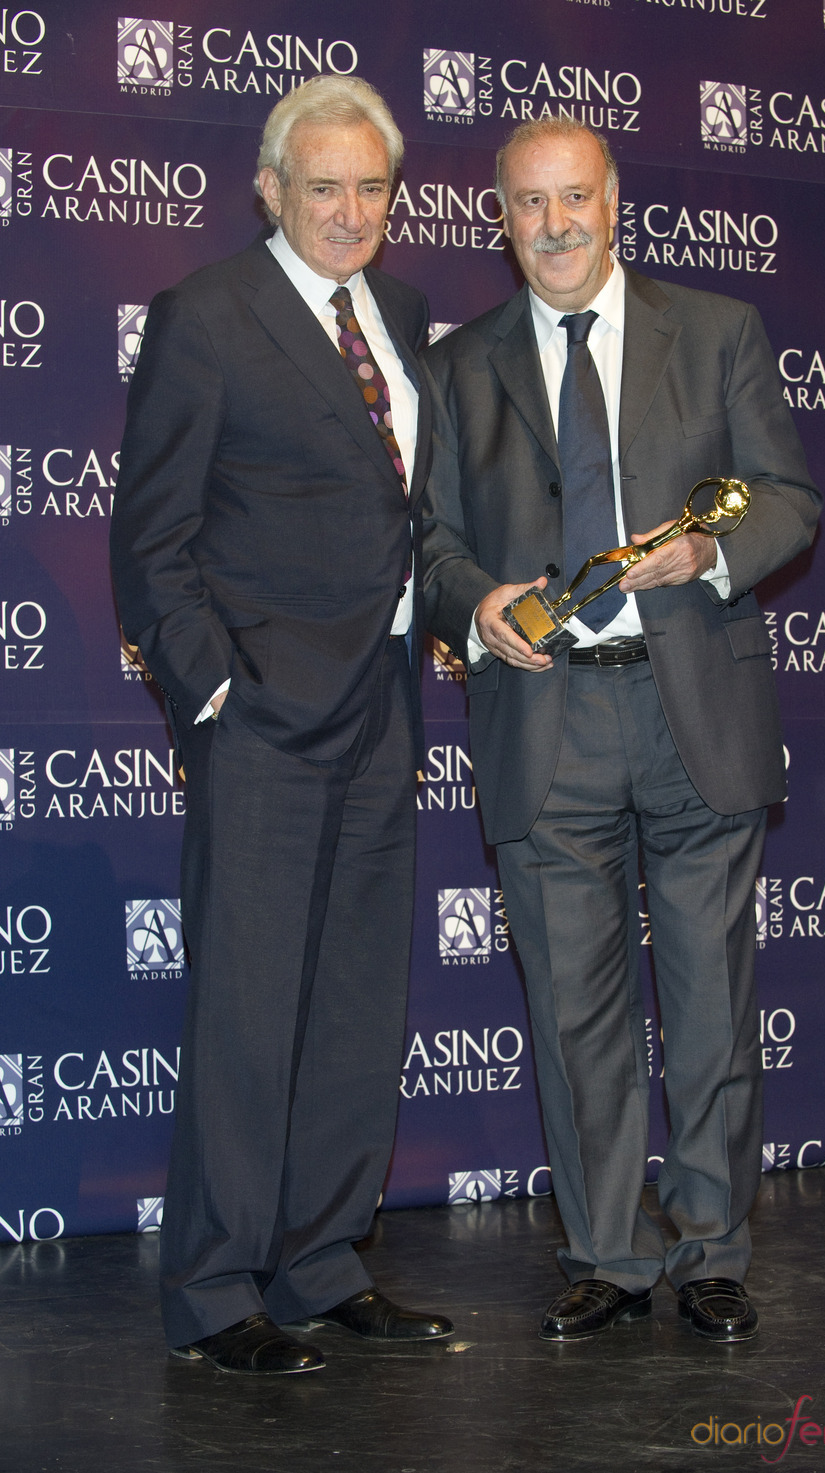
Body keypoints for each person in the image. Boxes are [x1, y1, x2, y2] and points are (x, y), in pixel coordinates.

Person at [422, 118, 820, 1344]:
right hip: (546, 715)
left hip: (690, 704)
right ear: (501, 220)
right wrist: (472, 603)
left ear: (613, 202)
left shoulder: (717, 330)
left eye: (574, 198)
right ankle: (604, 1255)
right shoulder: (458, 365)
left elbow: (788, 497)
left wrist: (709, 554)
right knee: (573, 1015)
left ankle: (709, 1251)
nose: (554, 226)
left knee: (707, 1003)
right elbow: (428, 541)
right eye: (528, 204)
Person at [110, 74, 454, 1375]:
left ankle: (320, 1260)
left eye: (371, 188)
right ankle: (213, 1286)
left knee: (355, 1004)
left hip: (380, 709)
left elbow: (405, 510)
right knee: (247, 1013)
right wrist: (214, 692)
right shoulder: (207, 314)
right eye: (323, 188)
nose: (349, 211)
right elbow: (151, 538)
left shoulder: (401, 313)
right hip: (260, 717)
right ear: (269, 190)